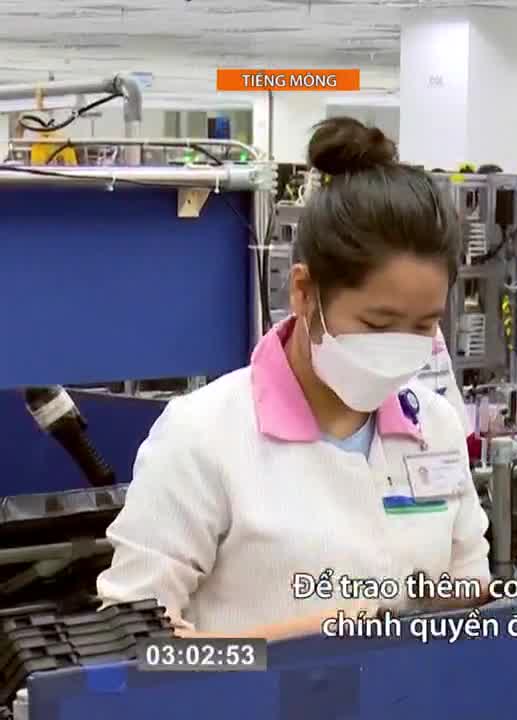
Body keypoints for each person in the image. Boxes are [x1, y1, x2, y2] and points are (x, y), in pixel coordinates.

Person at [97, 118, 490, 637]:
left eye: (423, 326)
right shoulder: (204, 436)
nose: (400, 348)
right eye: (376, 323)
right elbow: (137, 648)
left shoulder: (434, 424)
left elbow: (471, 598)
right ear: (304, 292)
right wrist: (301, 640)